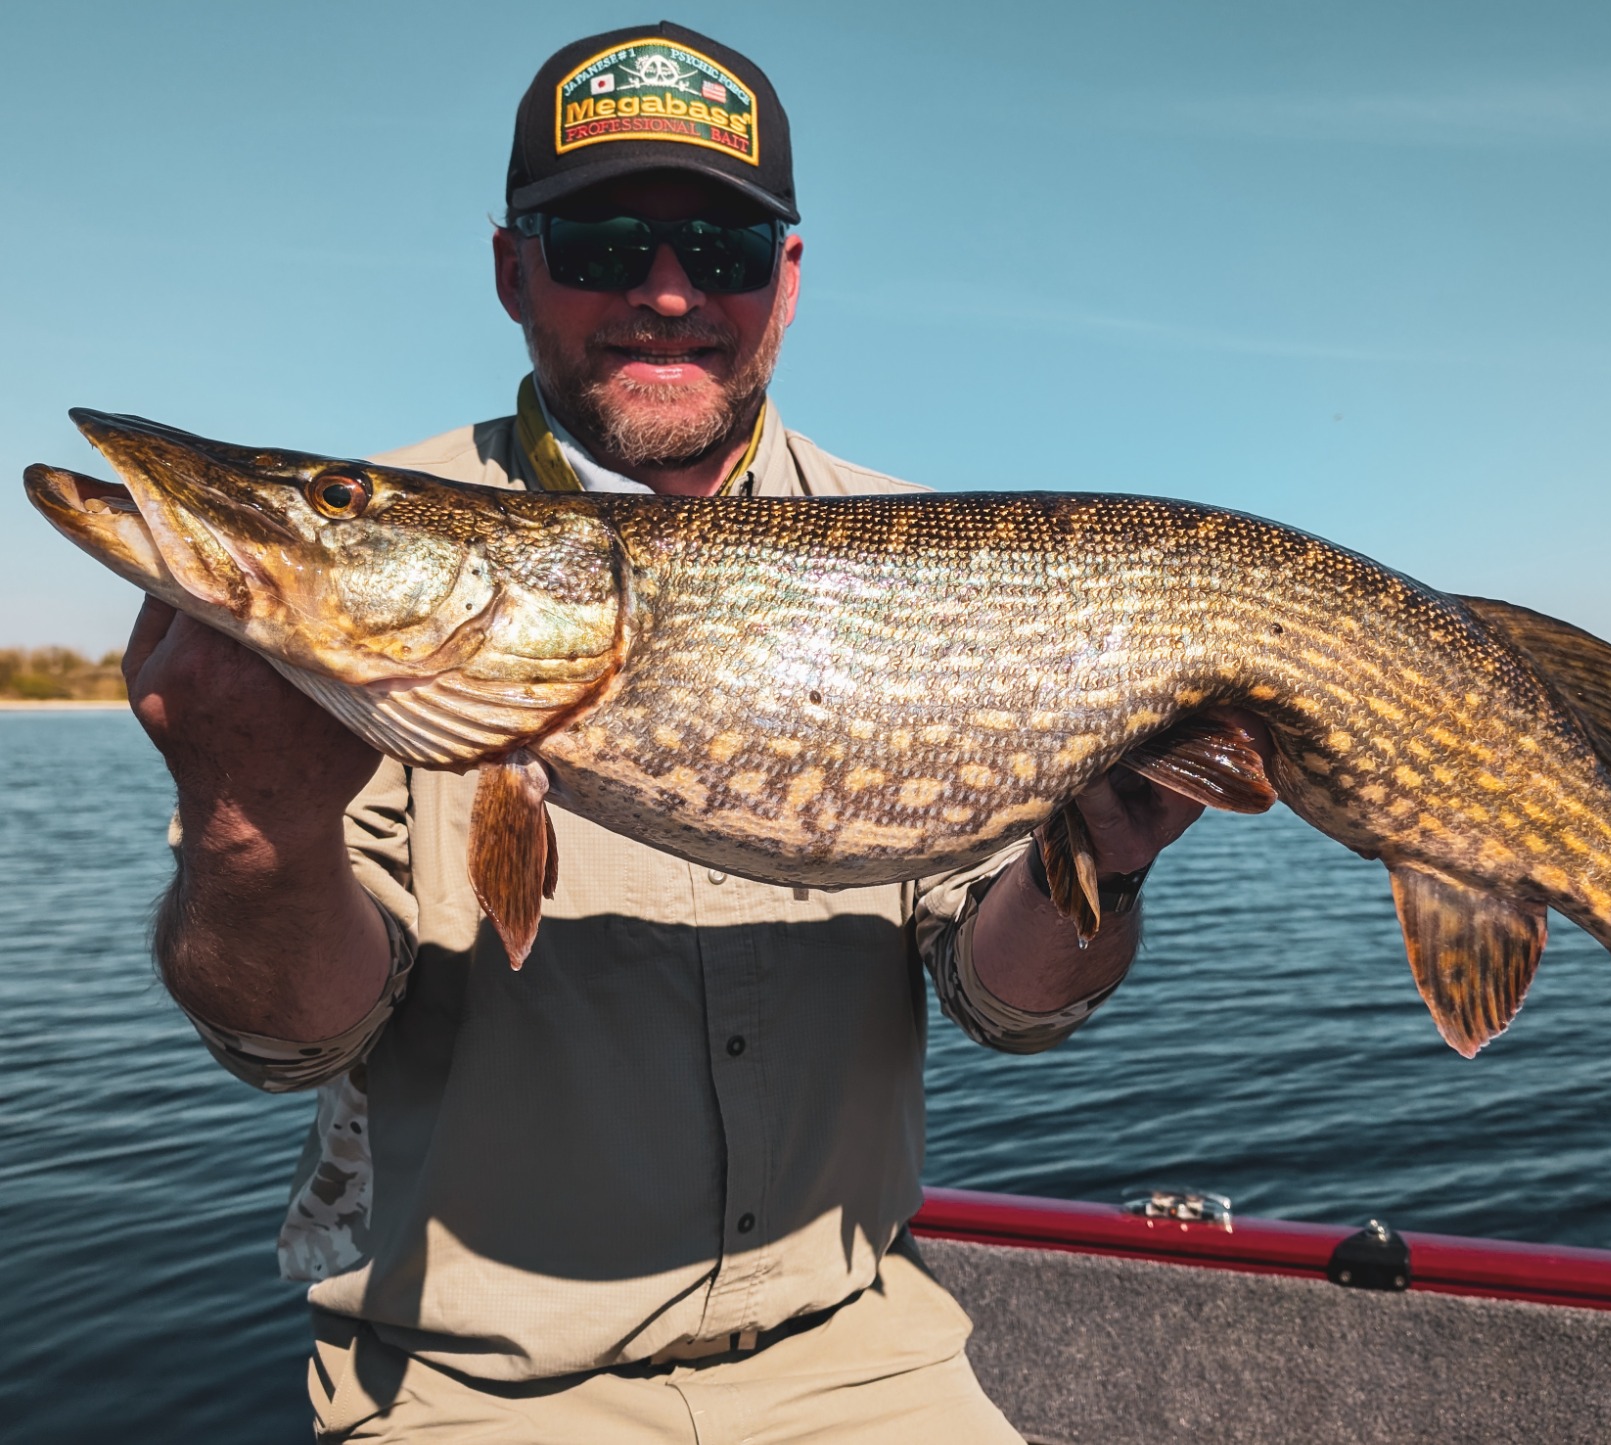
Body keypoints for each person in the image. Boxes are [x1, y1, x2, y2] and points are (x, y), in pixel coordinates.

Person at [122, 24, 1216, 1442]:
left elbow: (1006, 1003)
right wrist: (249, 825)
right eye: (599, 242)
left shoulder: (935, 557)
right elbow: (284, 1039)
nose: (664, 290)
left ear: (791, 281)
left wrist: (1108, 859)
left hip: (864, 1358)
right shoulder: (383, 565)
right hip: (479, 1390)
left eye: (723, 248)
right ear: (515, 270)